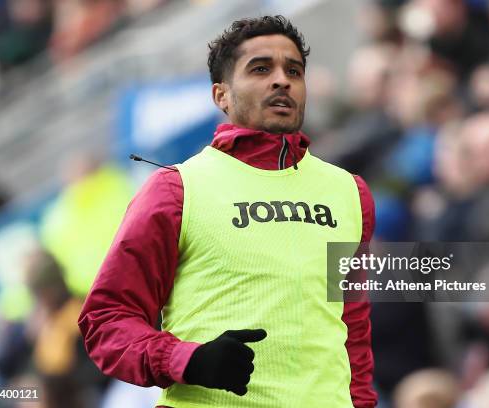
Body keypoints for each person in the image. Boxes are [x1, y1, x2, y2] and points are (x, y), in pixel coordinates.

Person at [78, 15, 378, 408]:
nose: (282, 80)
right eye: (260, 69)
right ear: (221, 95)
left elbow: (352, 329)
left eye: (294, 70)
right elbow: (105, 320)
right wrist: (188, 360)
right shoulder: (175, 190)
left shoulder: (350, 192)